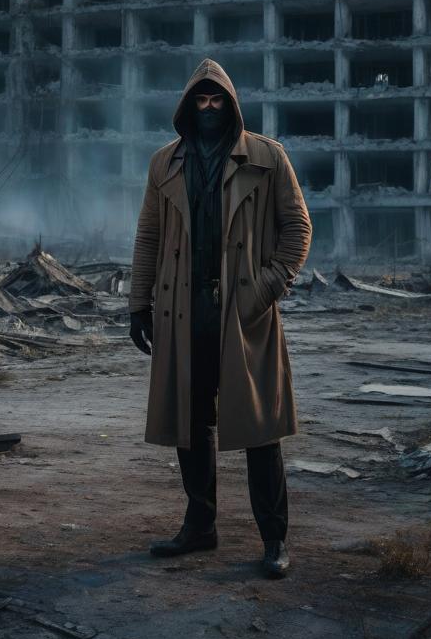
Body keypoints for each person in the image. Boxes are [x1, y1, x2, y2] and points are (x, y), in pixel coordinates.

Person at [128, 58, 312, 578]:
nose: (208, 108)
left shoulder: (267, 158)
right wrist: (139, 305)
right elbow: (148, 237)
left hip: (244, 314)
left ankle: (275, 539)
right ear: (188, 106)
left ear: (230, 105)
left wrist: (265, 288)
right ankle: (200, 526)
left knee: (259, 428)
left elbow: (297, 229)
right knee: (191, 423)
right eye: (200, 100)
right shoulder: (165, 164)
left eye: (217, 100)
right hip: (184, 313)